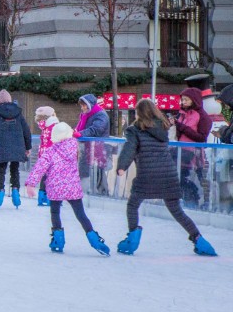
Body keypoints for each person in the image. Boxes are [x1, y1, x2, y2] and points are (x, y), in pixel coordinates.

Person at [115, 99, 217, 257]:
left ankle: (132, 239)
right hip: (168, 174)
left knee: (133, 205)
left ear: (140, 113)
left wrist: (122, 166)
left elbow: (129, 148)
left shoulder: (134, 130)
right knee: (177, 211)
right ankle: (200, 240)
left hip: (147, 175)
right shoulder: (162, 127)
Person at [25, 121, 110, 255]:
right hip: (72, 187)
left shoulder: (50, 151)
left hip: (56, 187)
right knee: (81, 215)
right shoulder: (74, 146)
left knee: (55, 213)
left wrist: (31, 184)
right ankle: (94, 239)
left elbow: (39, 168)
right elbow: (75, 136)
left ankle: (58, 241)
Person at [0, 89, 31, 209]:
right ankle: (15, 192)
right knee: (15, 169)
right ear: (9, 100)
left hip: (0, 147)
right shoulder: (18, 113)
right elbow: (26, 131)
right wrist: (28, 147)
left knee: (1, 170)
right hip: (17, 146)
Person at [174, 87, 212, 207]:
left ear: (193, 100)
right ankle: (187, 200)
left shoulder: (202, 116)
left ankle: (202, 201)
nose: (183, 102)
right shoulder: (183, 113)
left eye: (186, 100)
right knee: (181, 178)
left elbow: (201, 137)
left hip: (194, 154)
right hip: (182, 153)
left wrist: (182, 128)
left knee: (200, 178)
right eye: (182, 100)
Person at [74, 94, 110, 194]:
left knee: (98, 172)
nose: (82, 108)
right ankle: (83, 191)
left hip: (98, 150)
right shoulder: (85, 115)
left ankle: (101, 193)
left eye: (83, 105)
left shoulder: (100, 115)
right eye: (81, 105)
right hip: (87, 149)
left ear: (89, 105)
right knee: (85, 170)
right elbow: (80, 128)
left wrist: (80, 134)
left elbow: (96, 130)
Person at [32, 106, 59, 207]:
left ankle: (41, 196)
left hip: (43, 154)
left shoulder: (44, 127)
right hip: (53, 154)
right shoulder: (54, 126)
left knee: (44, 175)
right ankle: (49, 197)